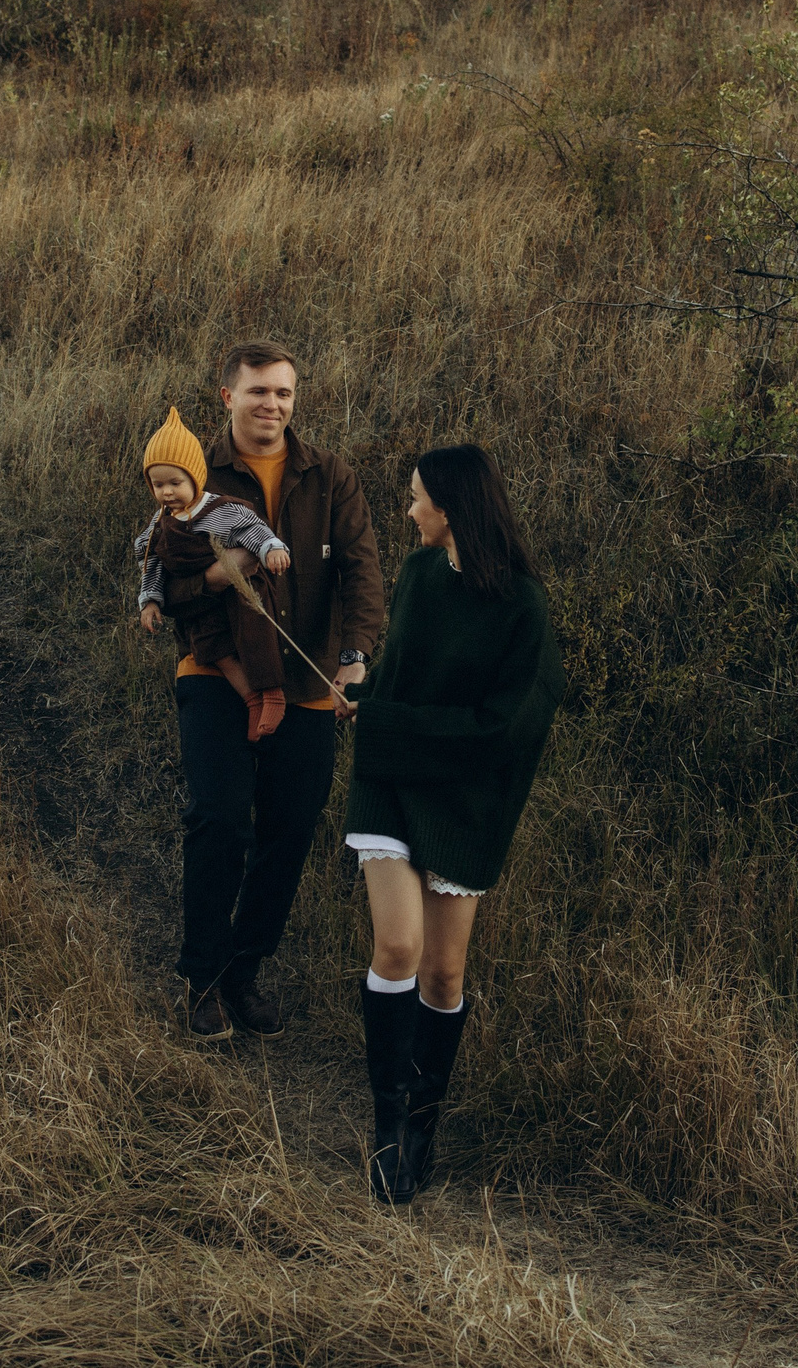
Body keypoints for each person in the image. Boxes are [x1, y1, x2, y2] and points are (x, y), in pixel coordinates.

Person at [336, 443, 564, 1203]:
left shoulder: (523, 607)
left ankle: (424, 1125)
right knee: (398, 945)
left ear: (451, 506)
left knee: (443, 970)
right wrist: (364, 700)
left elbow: (501, 728)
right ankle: (387, 1125)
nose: (408, 510)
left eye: (415, 498)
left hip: (466, 801)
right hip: (391, 782)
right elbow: (395, 678)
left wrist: (388, 720)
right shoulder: (417, 575)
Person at [153, 343, 384, 1041]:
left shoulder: (329, 476)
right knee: (219, 817)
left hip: (308, 681)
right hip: (216, 672)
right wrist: (218, 582)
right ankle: (201, 978)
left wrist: (354, 657)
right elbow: (163, 579)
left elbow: (362, 570)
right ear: (227, 397)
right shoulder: (193, 472)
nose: (273, 405)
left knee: (287, 834)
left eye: (284, 392)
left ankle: (242, 972)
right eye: (258, 392)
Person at [133, 406, 295, 742]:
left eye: (175, 482)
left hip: (239, 592)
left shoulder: (218, 509)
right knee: (211, 647)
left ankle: (273, 693)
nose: (166, 492)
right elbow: (151, 563)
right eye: (157, 484)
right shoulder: (160, 521)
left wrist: (272, 549)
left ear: (194, 476)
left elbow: (253, 530)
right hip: (201, 604)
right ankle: (252, 698)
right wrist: (149, 601)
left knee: (254, 631)